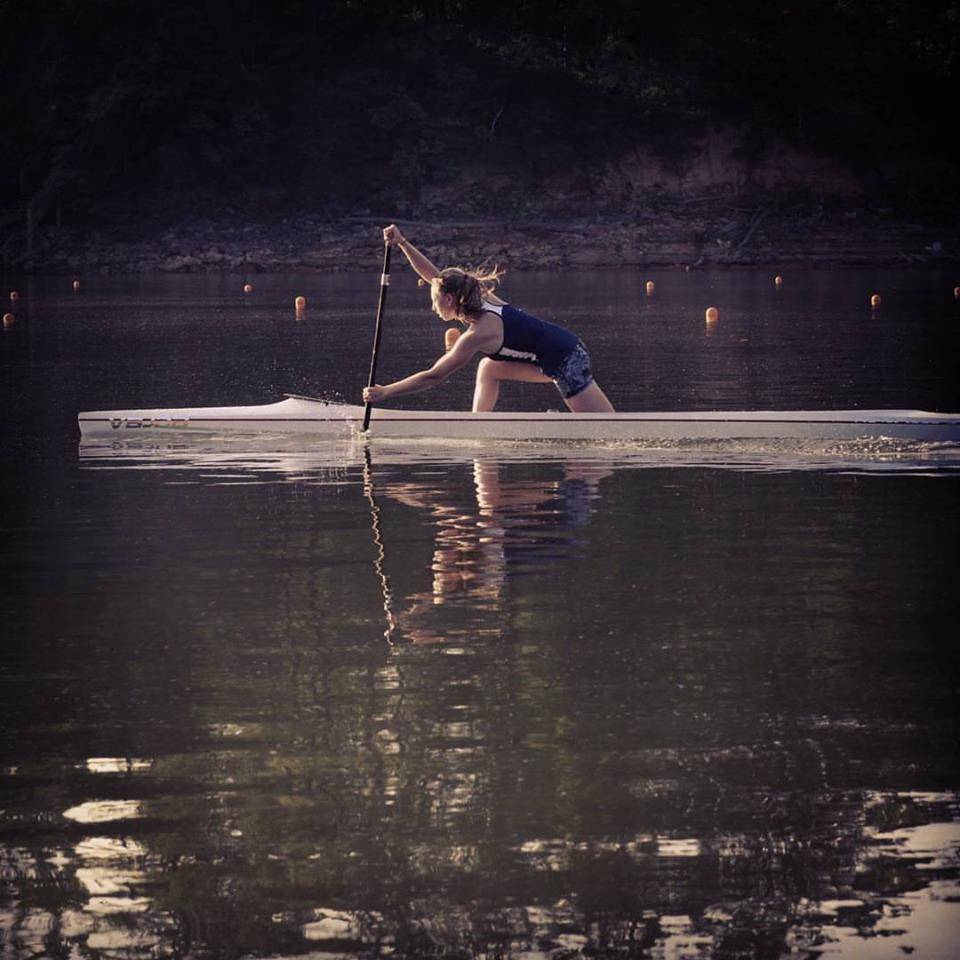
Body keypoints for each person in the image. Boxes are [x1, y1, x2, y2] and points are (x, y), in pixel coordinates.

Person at [362, 225, 614, 412]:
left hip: (566, 359)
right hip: (556, 352)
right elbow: (435, 276)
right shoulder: (479, 296)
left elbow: (434, 376)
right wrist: (403, 242)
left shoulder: (478, 333)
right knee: (488, 368)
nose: (433, 307)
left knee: (608, 429)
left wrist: (386, 391)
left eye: (434, 300)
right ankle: (478, 426)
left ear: (449, 299)